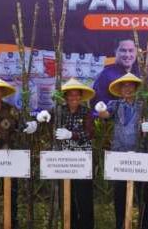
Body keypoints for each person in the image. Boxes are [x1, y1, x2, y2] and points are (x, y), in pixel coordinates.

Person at [94, 73, 148, 229]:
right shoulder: (115, 104)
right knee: (120, 195)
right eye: (124, 85)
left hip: (142, 156)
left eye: (131, 85)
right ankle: (121, 225)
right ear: (120, 89)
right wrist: (100, 109)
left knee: (144, 194)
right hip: (120, 157)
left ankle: (146, 225)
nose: (128, 88)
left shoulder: (146, 105)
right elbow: (105, 114)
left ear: (136, 88)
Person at [0, 75, 37, 229]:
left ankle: (11, 222)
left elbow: (21, 126)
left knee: (12, 192)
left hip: (10, 156)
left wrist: (30, 126)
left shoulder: (11, 109)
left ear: (2, 92)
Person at [53, 78, 95, 229]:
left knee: (84, 195)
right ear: (65, 97)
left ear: (81, 97)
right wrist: (41, 118)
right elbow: (47, 119)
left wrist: (71, 135)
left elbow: (90, 133)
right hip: (63, 160)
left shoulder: (86, 112)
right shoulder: (59, 111)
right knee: (66, 195)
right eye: (70, 95)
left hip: (81, 160)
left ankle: (86, 225)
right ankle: (70, 224)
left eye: (77, 95)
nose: (74, 98)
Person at [92, 39, 139, 104]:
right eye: (123, 50)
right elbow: (98, 106)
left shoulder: (139, 73)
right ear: (115, 51)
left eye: (131, 51)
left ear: (136, 52)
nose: (127, 55)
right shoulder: (105, 75)